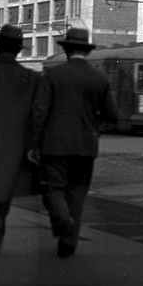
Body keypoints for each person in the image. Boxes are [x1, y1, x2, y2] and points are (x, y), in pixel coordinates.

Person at [28, 27, 119, 258]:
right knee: (77, 195)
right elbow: (113, 114)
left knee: (52, 189)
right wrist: (94, 122)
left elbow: (40, 111)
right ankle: (68, 244)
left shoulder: (53, 76)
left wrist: (34, 144)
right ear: (86, 52)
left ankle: (62, 220)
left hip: (54, 146)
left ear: (67, 51)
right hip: (86, 147)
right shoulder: (99, 78)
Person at [0, 24, 41, 255]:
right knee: (3, 191)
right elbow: (37, 116)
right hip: (14, 147)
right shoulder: (31, 79)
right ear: (18, 51)